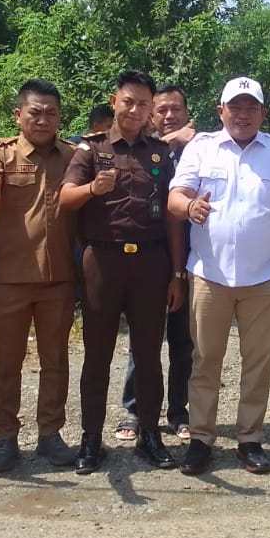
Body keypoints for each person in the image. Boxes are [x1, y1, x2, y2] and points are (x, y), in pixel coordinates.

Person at [168, 77, 270, 475]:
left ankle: (249, 439)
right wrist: (190, 206)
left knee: (257, 362)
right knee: (205, 360)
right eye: (236, 106)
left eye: (252, 107)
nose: (243, 114)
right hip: (209, 276)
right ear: (221, 111)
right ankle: (200, 438)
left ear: (263, 113)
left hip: (265, 279)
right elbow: (175, 196)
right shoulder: (201, 148)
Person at [59, 70, 186, 474]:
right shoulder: (90, 149)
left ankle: (150, 435)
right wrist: (93, 189)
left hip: (151, 262)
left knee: (149, 354)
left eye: (143, 104)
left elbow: (171, 216)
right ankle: (91, 439)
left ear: (151, 109)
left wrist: (177, 272)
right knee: (97, 355)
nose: (135, 110)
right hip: (104, 261)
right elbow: (65, 198)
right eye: (128, 101)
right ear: (114, 101)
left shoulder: (160, 154)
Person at [0, 79, 78, 472]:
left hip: (58, 277)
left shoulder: (71, 156)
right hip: (10, 278)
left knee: (56, 359)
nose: (43, 119)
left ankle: (51, 435)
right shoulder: (1, 152)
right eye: (35, 112)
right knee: (7, 359)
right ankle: (5, 436)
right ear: (18, 115)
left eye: (51, 112)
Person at [117, 84, 197, 442]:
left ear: (187, 114)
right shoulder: (138, 150)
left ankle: (179, 411)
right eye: (161, 110)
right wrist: (173, 141)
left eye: (175, 110)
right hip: (147, 258)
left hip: (190, 259)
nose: (168, 116)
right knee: (143, 340)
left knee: (184, 342)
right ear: (150, 114)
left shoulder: (204, 149)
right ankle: (134, 411)